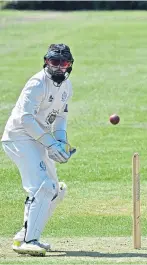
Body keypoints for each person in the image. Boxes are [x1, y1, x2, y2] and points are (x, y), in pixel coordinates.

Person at [1, 44, 76, 256]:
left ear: (70, 65)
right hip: (18, 137)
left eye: (65, 63)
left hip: (39, 138)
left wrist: (61, 142)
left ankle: (23, 235)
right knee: (43, 186)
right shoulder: (37, 83)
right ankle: (29, 240)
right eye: (55, 62)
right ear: (46, 62)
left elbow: (60, 117)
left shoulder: (67, 86)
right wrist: (50, 144)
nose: (60, 68)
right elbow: (25, 119)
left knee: (56, 191)